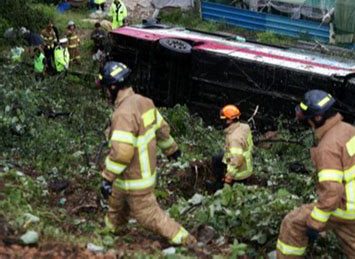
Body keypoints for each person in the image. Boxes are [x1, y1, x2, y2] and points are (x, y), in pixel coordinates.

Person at [98, 61, 200, 252]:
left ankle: (187, 240)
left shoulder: (123, 114)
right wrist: (172, 150)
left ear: (113, 87)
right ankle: (111, 233)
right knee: (116, 206)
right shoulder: (145, 102)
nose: (105, 93)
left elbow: (121, 153)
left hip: (135, 179)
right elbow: (162, 129)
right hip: (127, 178)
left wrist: (106, 178)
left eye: (106, 89)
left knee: (149, 216)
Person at [276, 90, 355, 259]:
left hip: (344, 206)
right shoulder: (349, 130)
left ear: (317, 118)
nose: (308, 124)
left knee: (292, 222)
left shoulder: (327, 148)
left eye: (308, 119)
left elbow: (332, 191)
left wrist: (315, 223)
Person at [207, 105, 254, 189]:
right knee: (216, 159)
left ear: (230, 120)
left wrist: (229, 177)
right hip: (245, 162)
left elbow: (237, 161)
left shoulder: (234, 139)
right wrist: (227, 160)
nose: (223, 121)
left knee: (229, 187)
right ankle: (219, 179)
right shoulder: (244, 127)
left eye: (224, 119)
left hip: (240, 172)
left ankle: (220, 186)